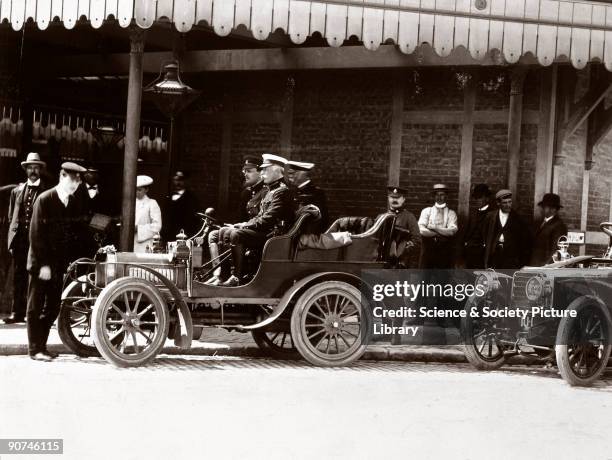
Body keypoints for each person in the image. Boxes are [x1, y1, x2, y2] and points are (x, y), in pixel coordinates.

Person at [26, 162, 86, 361]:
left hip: (58, 264)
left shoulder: (71, 201)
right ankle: (34, 350)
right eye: (72, 179)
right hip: (41, 265)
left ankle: (41, 346)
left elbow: (70, 234)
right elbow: (36, 234)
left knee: (52, 307)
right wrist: (43, 264)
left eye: (78, 181)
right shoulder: (45, 199)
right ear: (62, 176)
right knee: (35, 306)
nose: (75, 184)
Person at [223, 154, 295, 286]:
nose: (263, 173)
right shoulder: (271, 190)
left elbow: (268, 219)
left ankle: (237, 277)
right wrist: (245, 224)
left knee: (236, 234)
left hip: (275, 237)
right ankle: (227, 275)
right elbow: (261, 216)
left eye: (265, 169)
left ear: (275, 170)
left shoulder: (281, 191)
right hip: (267, 233)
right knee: (226, 232)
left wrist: (244, 226)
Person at [3, 152, 50, 325]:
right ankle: (17, 313)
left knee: (36, 278)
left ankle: (35, 314)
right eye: (30, 167)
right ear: (26, 170)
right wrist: (12, 239)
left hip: (37, 242)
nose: (33, 170)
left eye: (36, 167)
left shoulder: (47, 192)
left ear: (40, 170)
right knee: (18, 277)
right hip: (20, 241)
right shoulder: (17, 191)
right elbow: (11, 217)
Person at [206, 156, 266, 285]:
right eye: (244, 171)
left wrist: (241, 226)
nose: (245, 173)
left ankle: (237, 276)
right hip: (247, 229)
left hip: (257, 232)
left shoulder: (265, 192)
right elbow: (240, 217)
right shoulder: (247, 192)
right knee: (214, 234)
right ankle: (219, 273)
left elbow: (262, 219)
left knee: (232, 234)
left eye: (249, 171)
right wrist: (231, 224)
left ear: (260, 172)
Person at [483, 189, 531, 269]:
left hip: (511, 257)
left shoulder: (518, 218)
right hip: (494, 255)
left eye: (510, 202)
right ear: (498, 203)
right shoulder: (490, 217)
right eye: (505, 203)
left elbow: (524, 241)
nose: (508, 205)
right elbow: (485, 233)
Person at [418, 184, 458, 268]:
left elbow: (451, 231)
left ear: (446, 196)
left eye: (442, 194)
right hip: (428, 251)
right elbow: (421, 230)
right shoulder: (426, 211)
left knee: (443, 278)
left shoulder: (451, 213)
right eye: (436, 194)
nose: (439, 197)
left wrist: (434, 228)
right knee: (425, 278)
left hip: (444, 252)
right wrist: (440, 233)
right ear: (433, 196)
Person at [286, 160, 329, 233]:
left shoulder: (316, 193)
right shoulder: (294, 191)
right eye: (290, 173)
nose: (290, 176)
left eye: (294, 172)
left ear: (303, 173)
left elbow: (320, 220)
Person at [386, 185, 421, 268]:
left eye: (397, 198)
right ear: (388, 198)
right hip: (384, 261)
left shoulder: (409, 217)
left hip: (402, 262)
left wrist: (402, 249)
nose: (394, 200)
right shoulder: (382, 217)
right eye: (392, 197)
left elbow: (417, 240)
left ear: (403, 199)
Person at [530, 193, 567, 266]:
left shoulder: (559, 226)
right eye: (543, 206)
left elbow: (556, 251)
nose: (543, 209)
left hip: (544, 267)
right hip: (534, 264)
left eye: (545, 206)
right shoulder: (539, 223)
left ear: (553, 209)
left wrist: (546, 267)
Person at [162, 171, 200, 241]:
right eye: (176, 180)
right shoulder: (168, 197)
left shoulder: (191, 198)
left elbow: (192, 219)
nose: (178, 183)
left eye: (181, 180)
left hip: (184, 235)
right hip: (168, 235)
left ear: (185, 181)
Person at [462, 183, 492, 269]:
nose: (477, 200)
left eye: (479, 197)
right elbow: (466, 233)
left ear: (487, 198)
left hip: (483, 252)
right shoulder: (473, 213)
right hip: (470, 251)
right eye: (475, 197)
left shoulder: (492, 214)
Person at [134, 175, 162, 253]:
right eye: (135, 190)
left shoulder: (152, 203)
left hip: (144, 244)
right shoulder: (130, 203)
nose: (137, 192)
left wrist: (138, 228)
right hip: (130, 243)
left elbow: (157, 226)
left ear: (146, 190)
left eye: (139, 190)